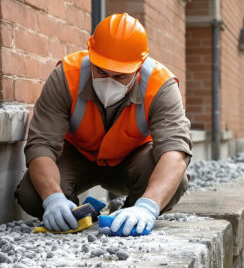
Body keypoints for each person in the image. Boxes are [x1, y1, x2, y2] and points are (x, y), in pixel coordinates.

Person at [15, 13, 192, 236]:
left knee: (176, 182)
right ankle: (73, 214)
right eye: (101, 71)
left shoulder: (160, 85)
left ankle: (129, 213)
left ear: (138, 68)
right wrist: (53, 198)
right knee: (33, 194)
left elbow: (175, 152)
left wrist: (148, 206)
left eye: (120, 76)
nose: (109, 81)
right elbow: (41, 144)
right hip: (77, 156)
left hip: (134, 160)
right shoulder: (67, 76)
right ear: (91, 55)